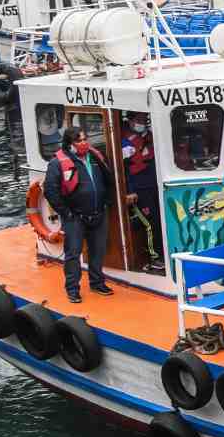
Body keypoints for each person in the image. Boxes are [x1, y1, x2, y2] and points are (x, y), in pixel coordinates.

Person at [42, 126, 114, 304]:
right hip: (75, 217)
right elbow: (50, 191)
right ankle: (73, 289)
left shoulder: (95, 156)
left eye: (85, 139)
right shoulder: (57, 163)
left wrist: (107, 202)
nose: (84, 143)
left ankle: (97, 283)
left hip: (98, 212)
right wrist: (66, 212)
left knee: (98, 250)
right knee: (73, 254)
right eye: (79, 140)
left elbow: (109, 179)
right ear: (70, 144)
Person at [120, 112, 161, 268]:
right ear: (130, 121)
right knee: (150, 223)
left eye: (144, 120)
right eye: (139, 120)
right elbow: (123, 170)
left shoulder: (150, 136)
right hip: (138, 190)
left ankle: (162, 252)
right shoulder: (125, 144)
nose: (142, 122)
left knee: (160, 220)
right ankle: (154, 258)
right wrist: (129, 190)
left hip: (154, 186)